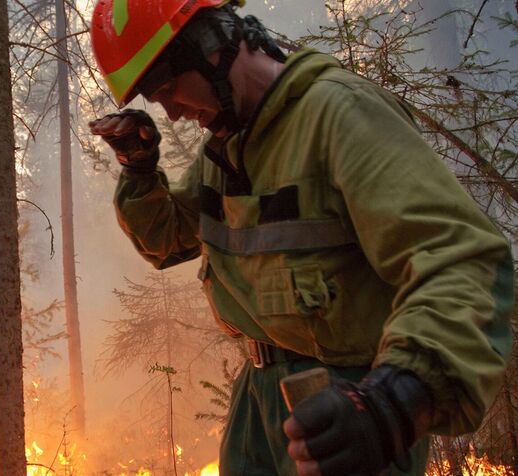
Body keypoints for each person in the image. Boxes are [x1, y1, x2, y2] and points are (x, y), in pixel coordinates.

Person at [87, 0, 514, 474]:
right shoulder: (229, 146)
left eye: (167, 87)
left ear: (211, 46)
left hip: (346, 404)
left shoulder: (339, 115)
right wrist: (140, 169)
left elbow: (459, 259)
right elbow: (168, 241)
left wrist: (397, 400)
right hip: (258, 401)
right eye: (153, 97)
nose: (170, 111)